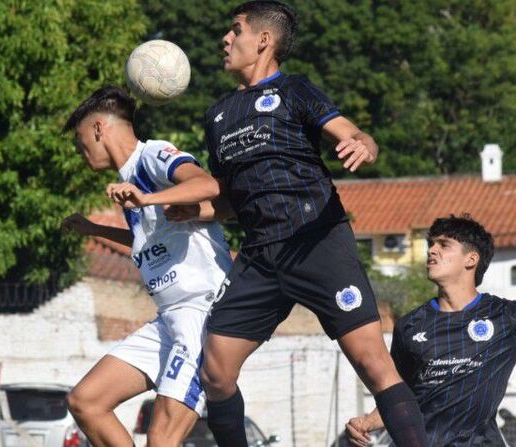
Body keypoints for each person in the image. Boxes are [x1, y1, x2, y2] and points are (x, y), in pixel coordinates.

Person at [165, 2, 428, 446]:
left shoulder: (295, 90)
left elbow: (356, 135)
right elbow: (230, 200)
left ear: (263, 40)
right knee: (216, 371)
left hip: (318, 241)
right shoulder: (217, 115)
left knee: (373, 364)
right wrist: (194, 212)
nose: (225, 40)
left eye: (236, 31)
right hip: (261, 255)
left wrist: (364, 145)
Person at [61, 85, 233, 447]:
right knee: (86, 402)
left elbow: (206, 185)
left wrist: (148, 197)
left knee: (161, 439)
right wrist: (94, 229)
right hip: (168, 319)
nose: (80, 152)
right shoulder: (128, 183)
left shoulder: (152, 155)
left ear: (98, 129)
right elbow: (149, 239)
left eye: (80, 142)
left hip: (200, 314)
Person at [346, 215, 515, 446]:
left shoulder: (505, 316)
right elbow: (400, 393)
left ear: (471, 259)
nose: (432, 251)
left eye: (444, 245)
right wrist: (366, 422)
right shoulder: (409, 326)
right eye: (431, 244)